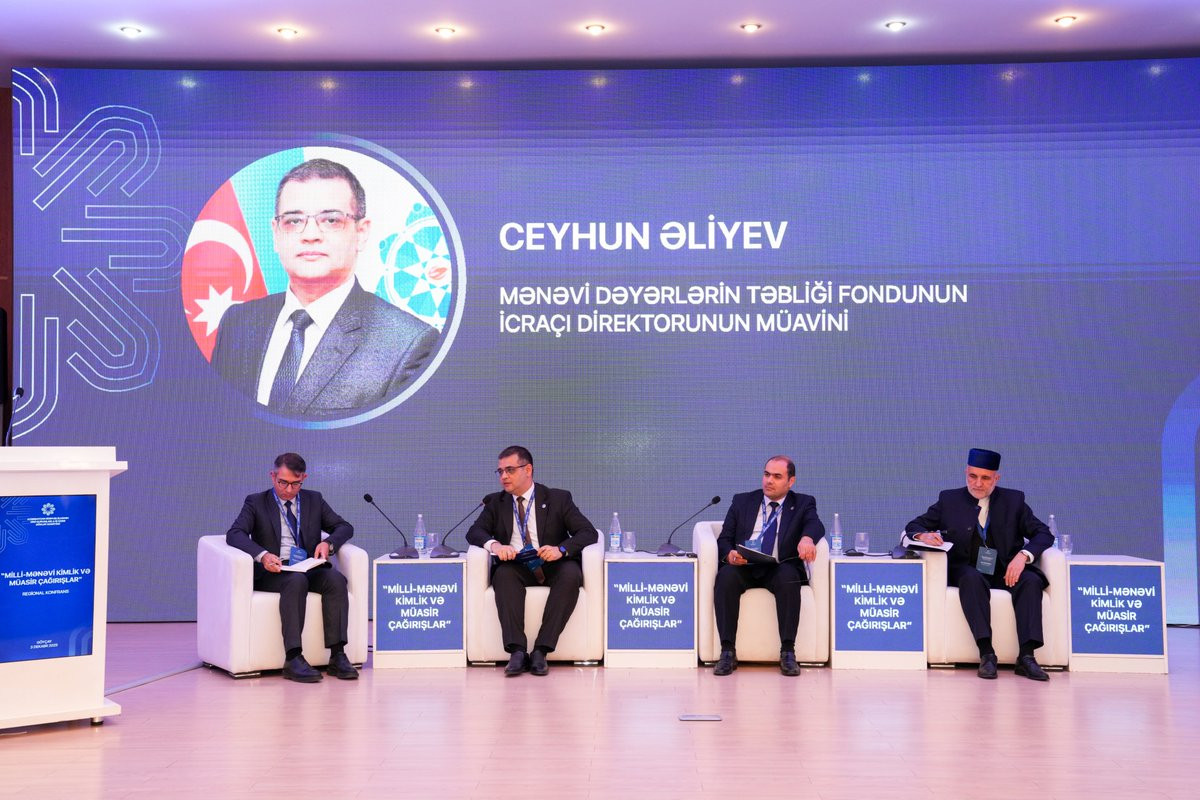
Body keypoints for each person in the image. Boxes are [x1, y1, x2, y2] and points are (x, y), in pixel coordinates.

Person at [211, 158, 439, 418]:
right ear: (275, 233)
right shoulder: (237, 323)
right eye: (293, 221)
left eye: (331, 220)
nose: (310, 235)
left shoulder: (408, 343)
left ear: (361, 233)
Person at [906, 448, 1055, 681]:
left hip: (1006, 568)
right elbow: (914, 525)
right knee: (971, 579)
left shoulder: (1014, 500)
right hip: (967, 569)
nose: (978, 483)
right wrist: (923, 536)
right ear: (966, 473)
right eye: (973, 476)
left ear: (996, 478)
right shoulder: (949, 499)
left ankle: (1027, 657)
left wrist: (1023, 556)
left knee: (1031, 581)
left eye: (985, 478)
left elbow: (1044, 533)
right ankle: (987, 654)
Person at [465, 446, 598, 677]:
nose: (503, 476)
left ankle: (541, 650)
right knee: (503, 575)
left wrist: (561, 549)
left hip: (552, 562)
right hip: (517, 565)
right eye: (500, 471)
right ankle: (517, 651)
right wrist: (495, 546)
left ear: (528, 470)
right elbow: (474, 532)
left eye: (509, 470)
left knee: (570, 574)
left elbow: (588, 532)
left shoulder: (558, 498)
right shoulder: (496, 502)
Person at [225, 452, 358, 682]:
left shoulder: (314, 500)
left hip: (307, 566)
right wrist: (263, 555)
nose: (288, 490)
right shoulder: (256, 502)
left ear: (304, 478)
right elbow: (234, 534)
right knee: (296, 581)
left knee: (336, 580)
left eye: (295, 484)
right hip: (274, 570)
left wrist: (328, 543)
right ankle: (293, 657)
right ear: (272, 476)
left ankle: (337, 655)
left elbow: (344, 527)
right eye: (282, 482)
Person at [713, 456, 825, 677]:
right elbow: (724, 539)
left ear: (790, 481)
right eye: (766, 474)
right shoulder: (742, 501)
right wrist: (730, 555)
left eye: (777, 476)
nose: (769, 481)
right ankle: (727, 651)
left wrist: (807, 538)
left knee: (789, 577)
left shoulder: (803, 503)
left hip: (779, 566)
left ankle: (788, 652)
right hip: (744, 565)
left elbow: (816, 524)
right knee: (725, 577)